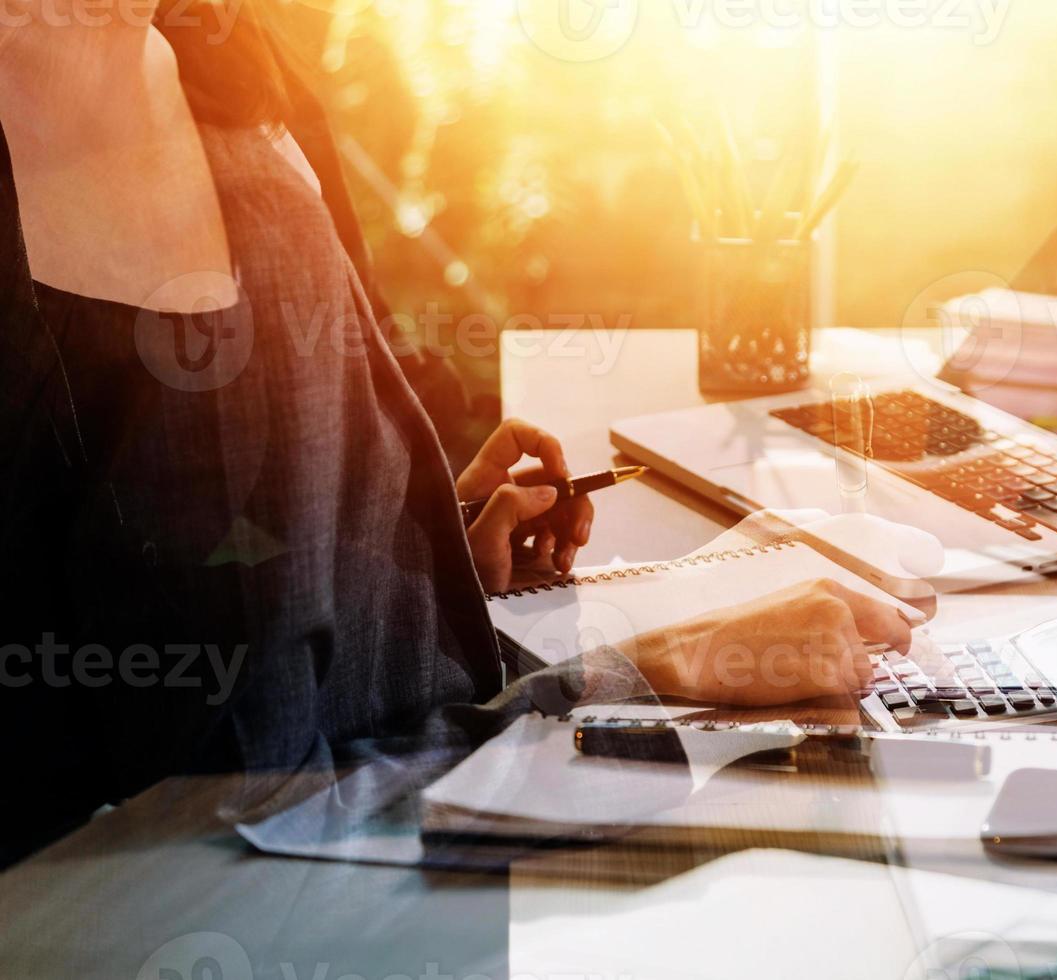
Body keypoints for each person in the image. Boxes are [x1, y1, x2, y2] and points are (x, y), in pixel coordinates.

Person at [0, 1, 915, 864]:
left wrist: (411, 557)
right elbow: (250, 822)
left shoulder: (203, 64)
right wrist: (654, 666)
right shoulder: (79, 111)